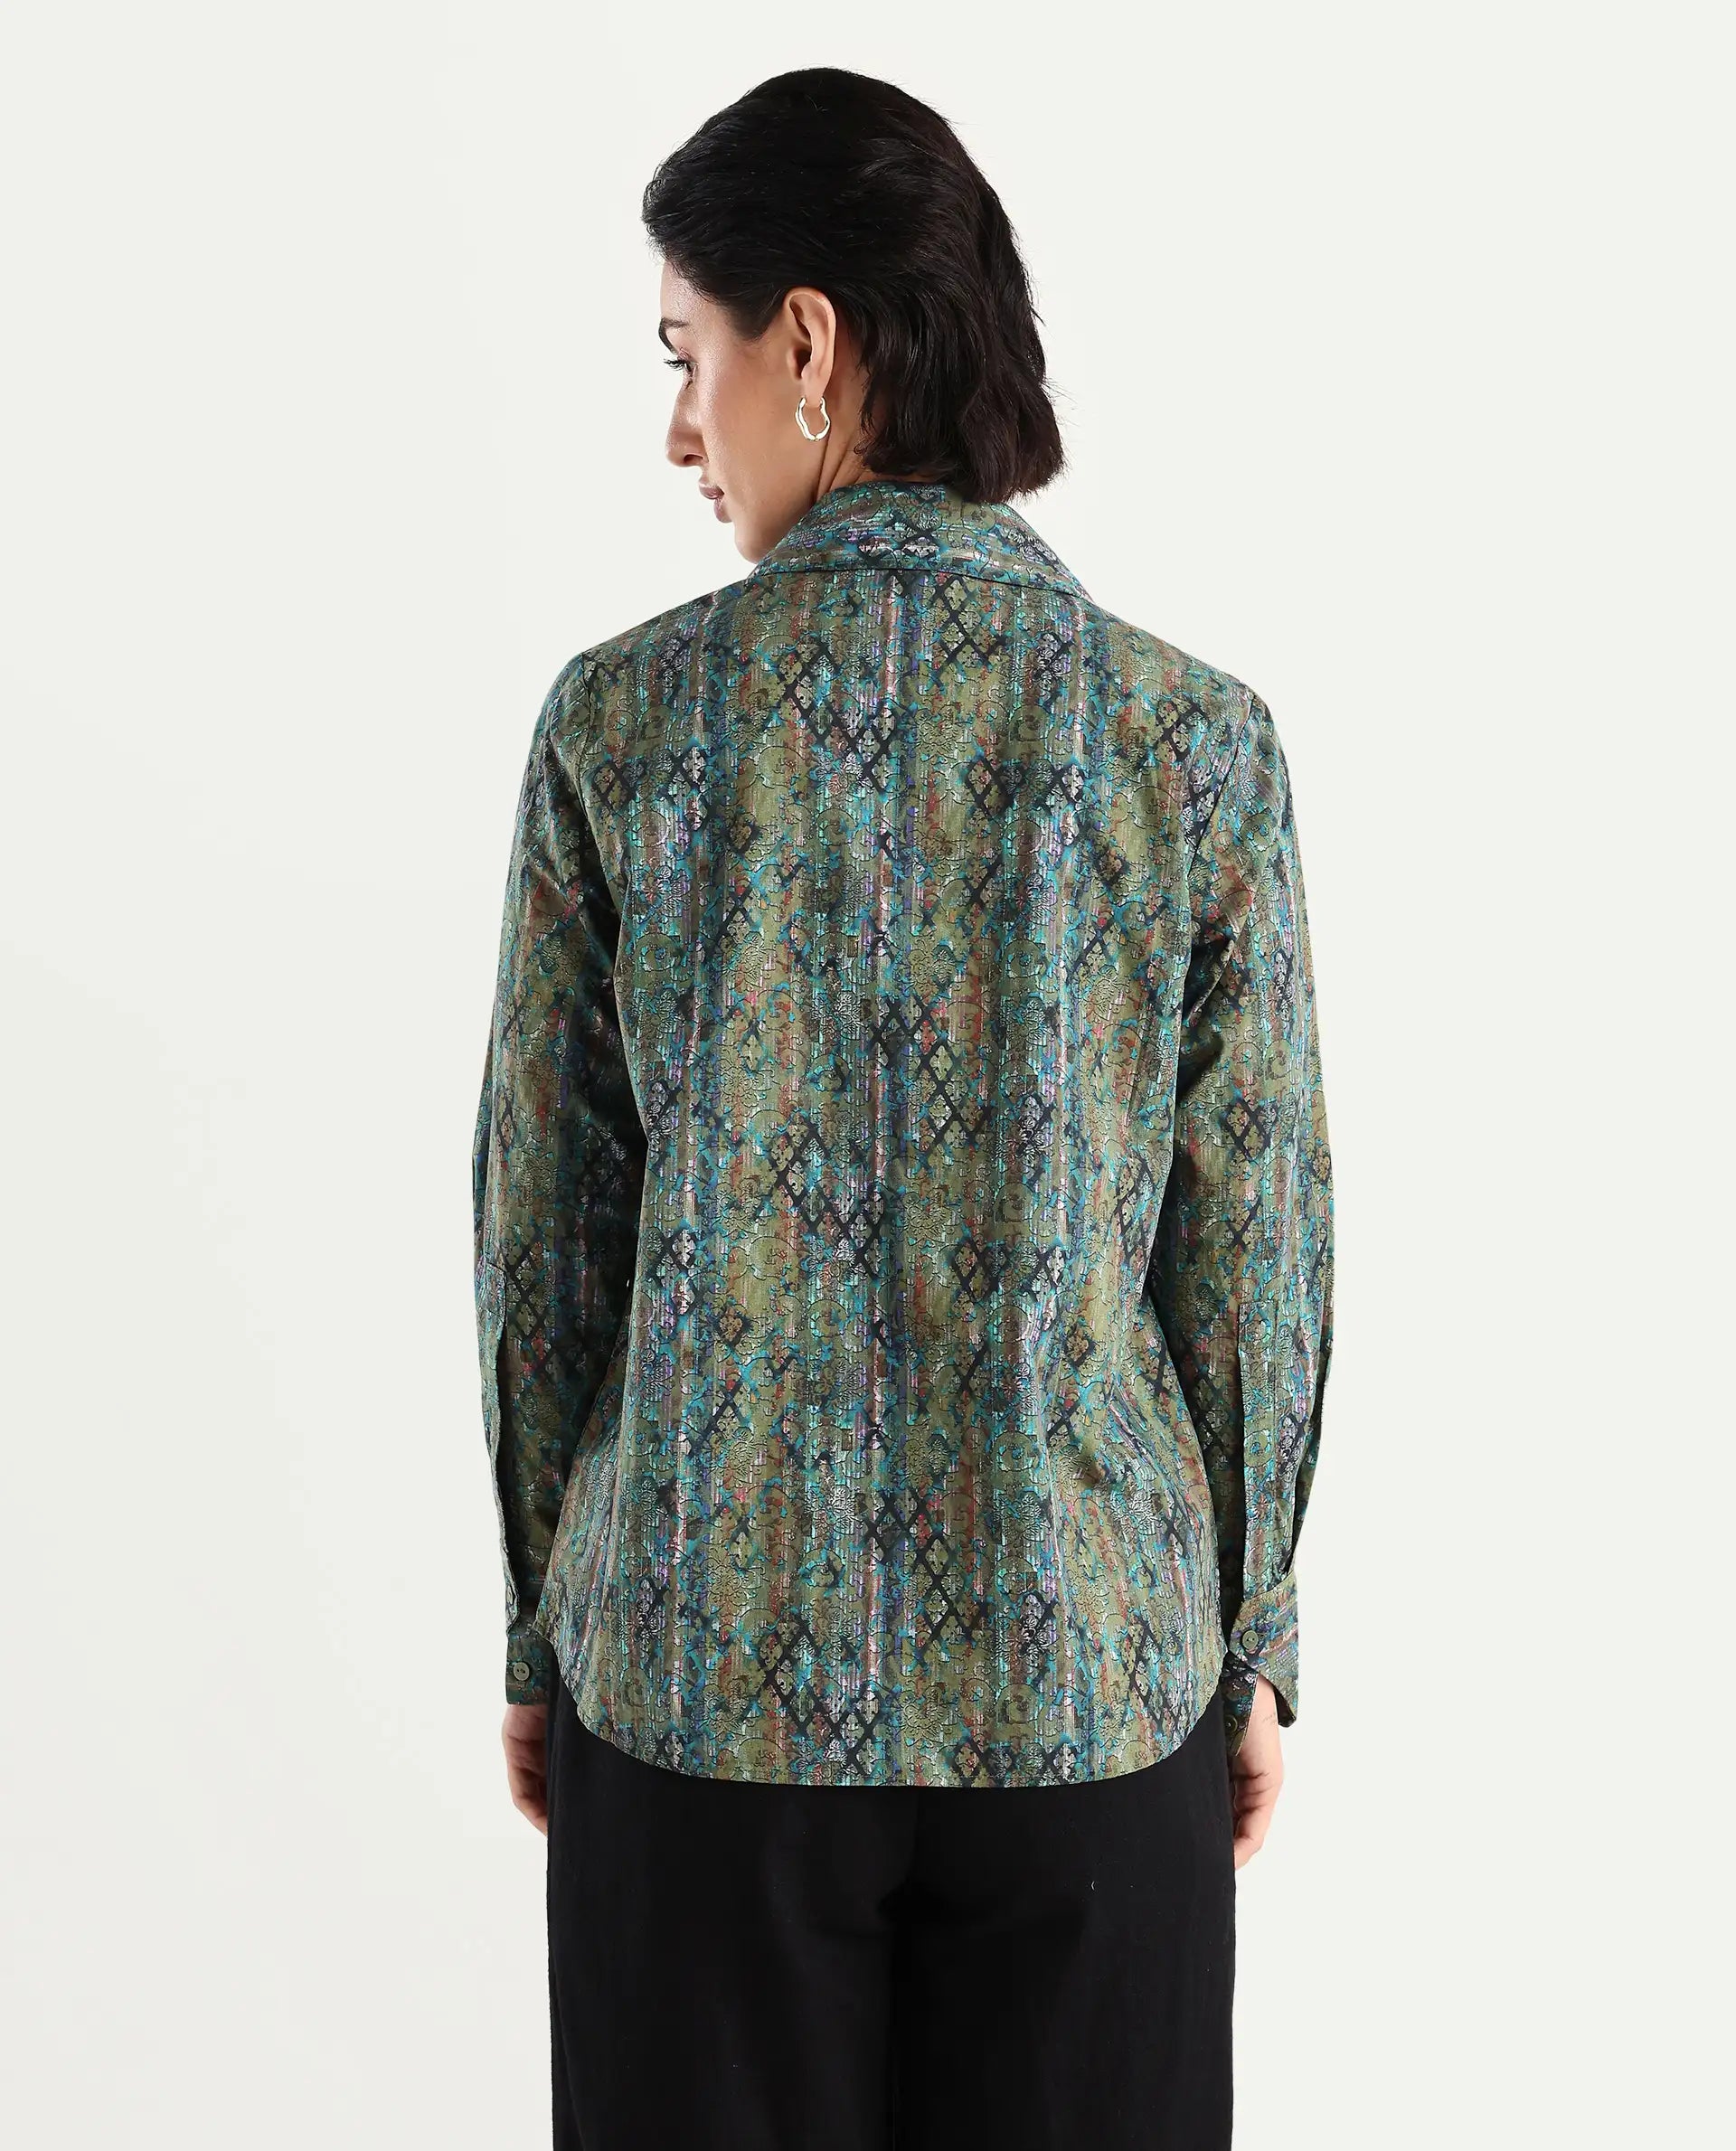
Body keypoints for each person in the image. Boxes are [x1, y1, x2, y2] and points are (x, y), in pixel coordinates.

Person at [470, 65, 1335, 2151]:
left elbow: (546, 1233)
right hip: (1087, 1702)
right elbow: (1254, 1238)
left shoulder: (623, 724)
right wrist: (1251, 1631)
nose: (680, 427)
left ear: (810, 341)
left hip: (695, 1697)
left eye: (684, 354)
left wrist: (542, 1616)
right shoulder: (1193, 743)